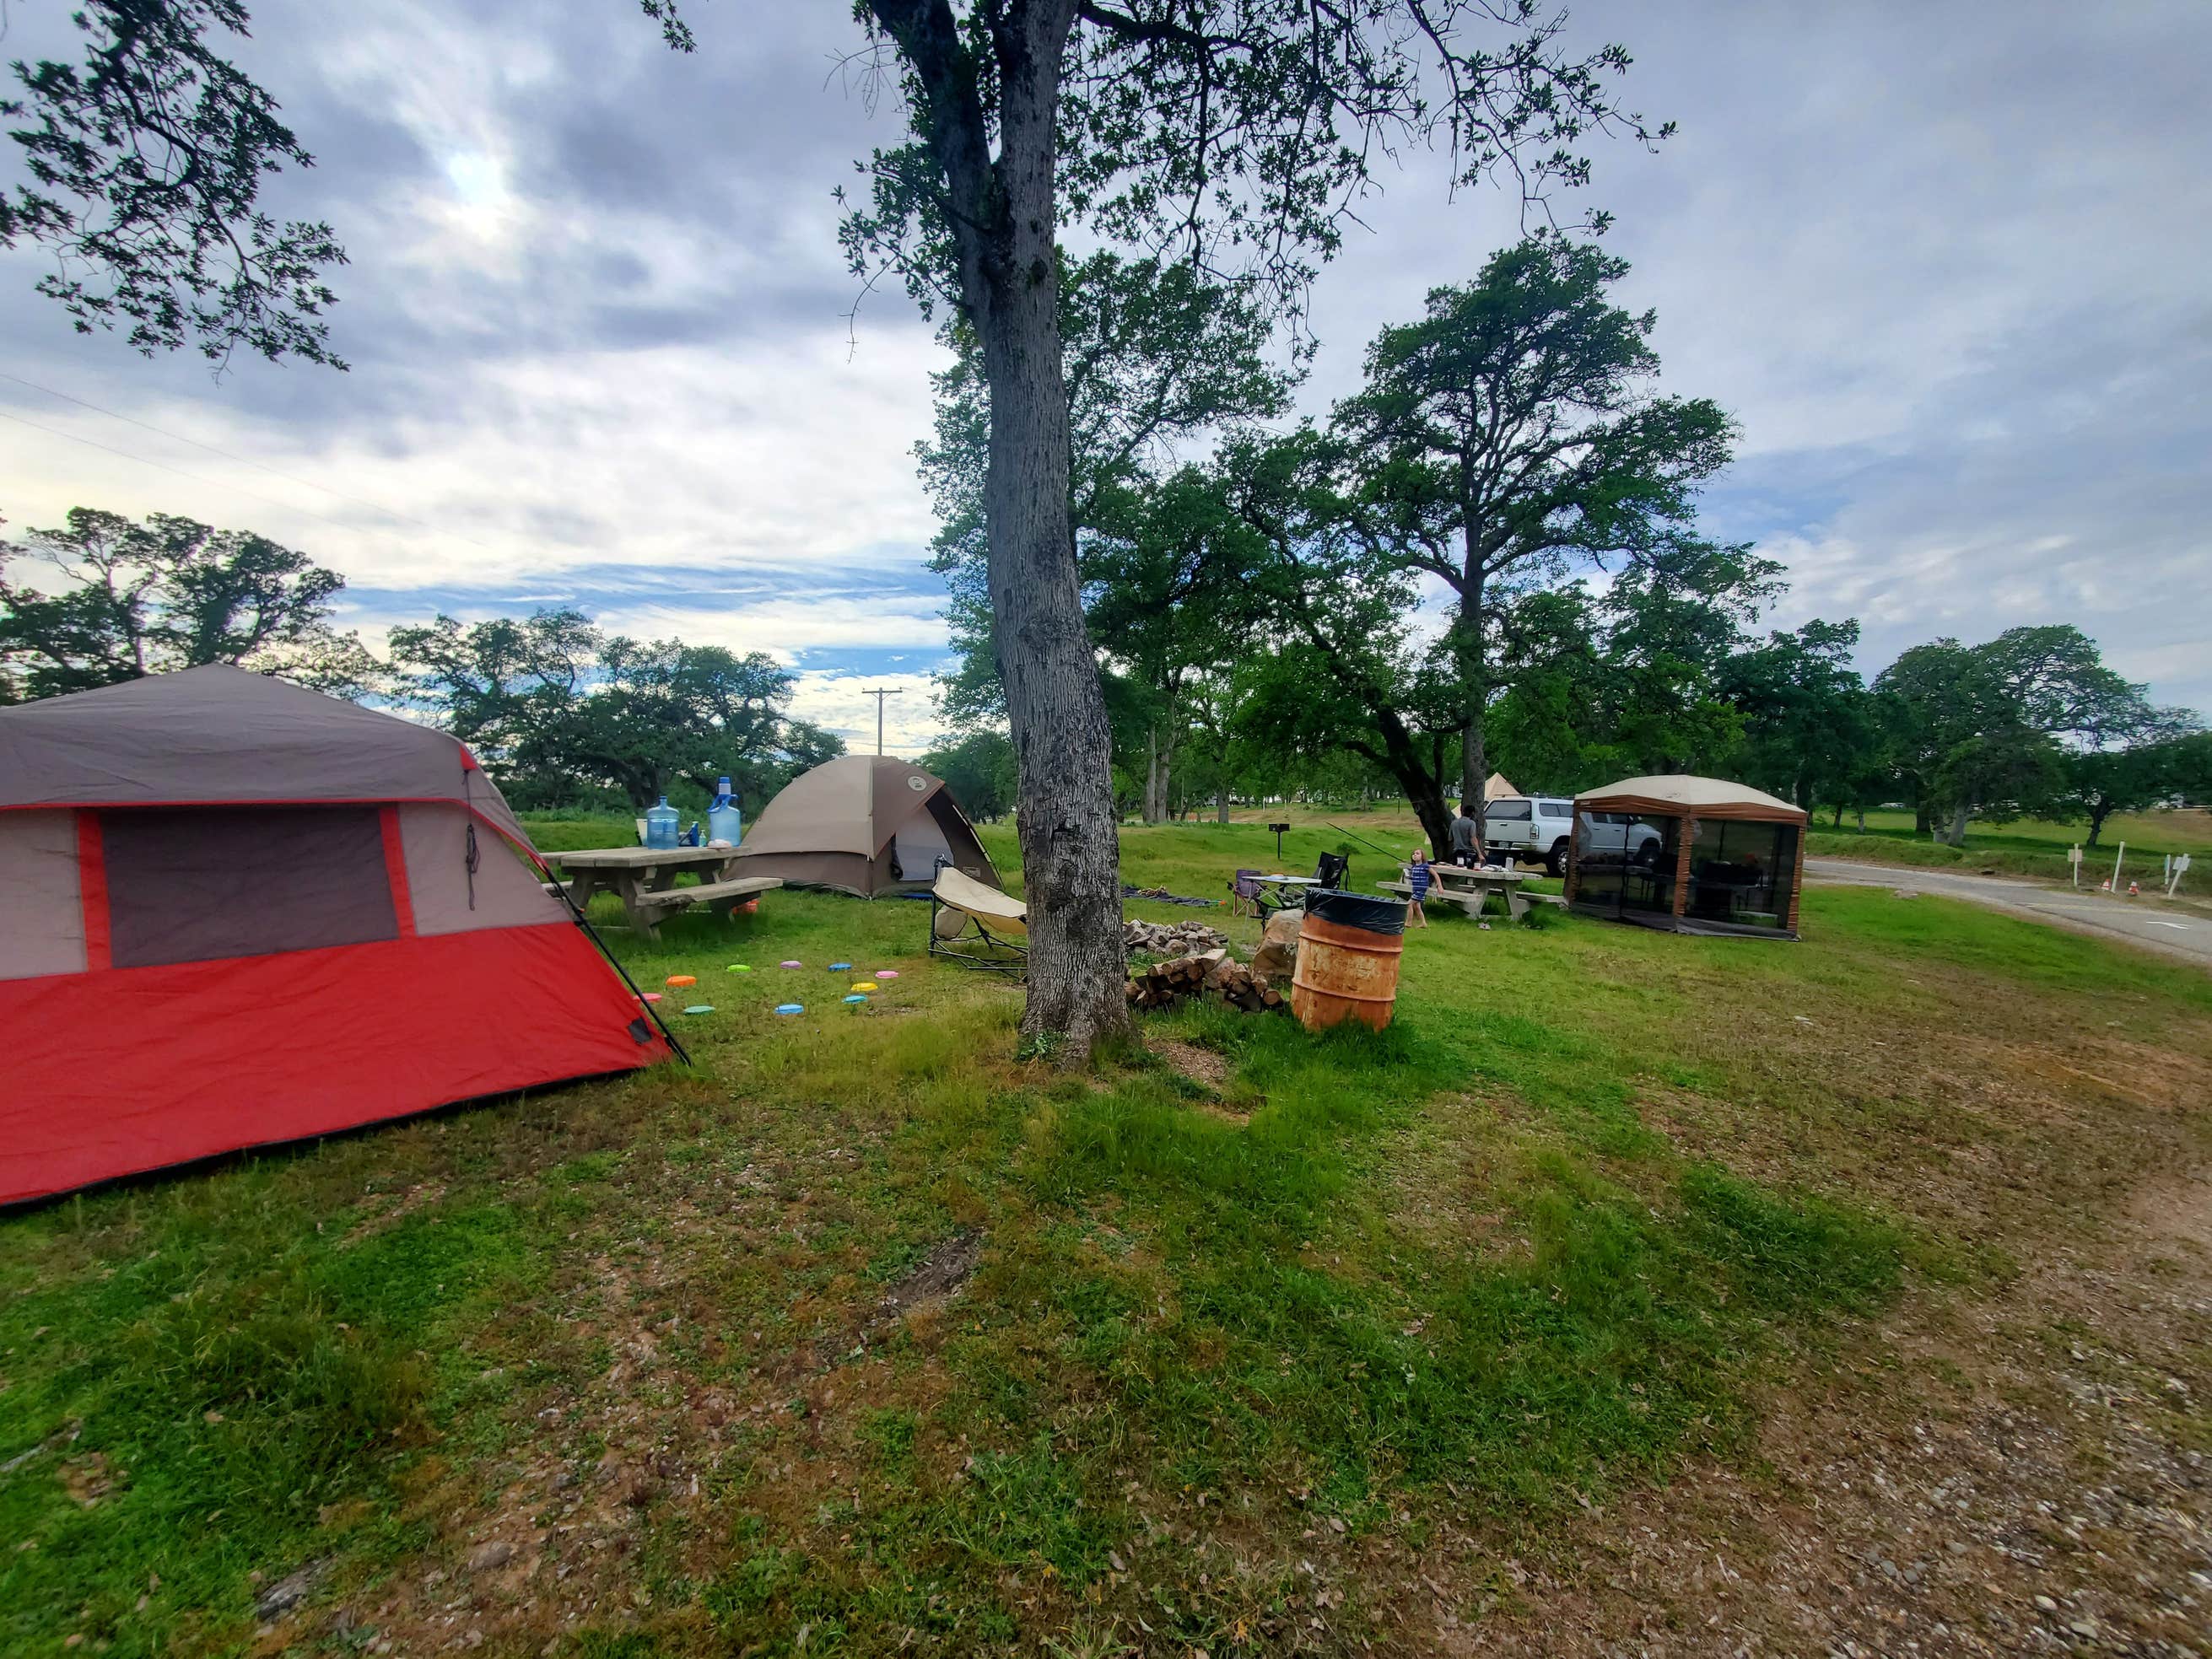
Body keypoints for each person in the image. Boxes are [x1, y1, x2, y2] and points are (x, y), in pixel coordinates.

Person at [1405, 848, 1432, 928]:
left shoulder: (1425, 866)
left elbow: (1435, 874)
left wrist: (1439, 886)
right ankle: (1424, 923)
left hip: (1421, 889)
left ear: (1422, 856)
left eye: (1417, 853)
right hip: (1415, 889)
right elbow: (1414, 877)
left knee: (1408, 904)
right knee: (1417, 907)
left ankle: (1409, 922)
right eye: (1414, 854)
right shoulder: (1414, 867)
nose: (1415, 855)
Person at [1449, 800, 1481, 867]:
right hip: (1468, 853)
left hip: (1456, 852)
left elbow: (1450, 838)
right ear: (1472, 813)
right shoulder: (1471, 823)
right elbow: (1473, 839)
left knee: (1456, 871)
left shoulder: (1454, 823)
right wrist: (1479, 853)